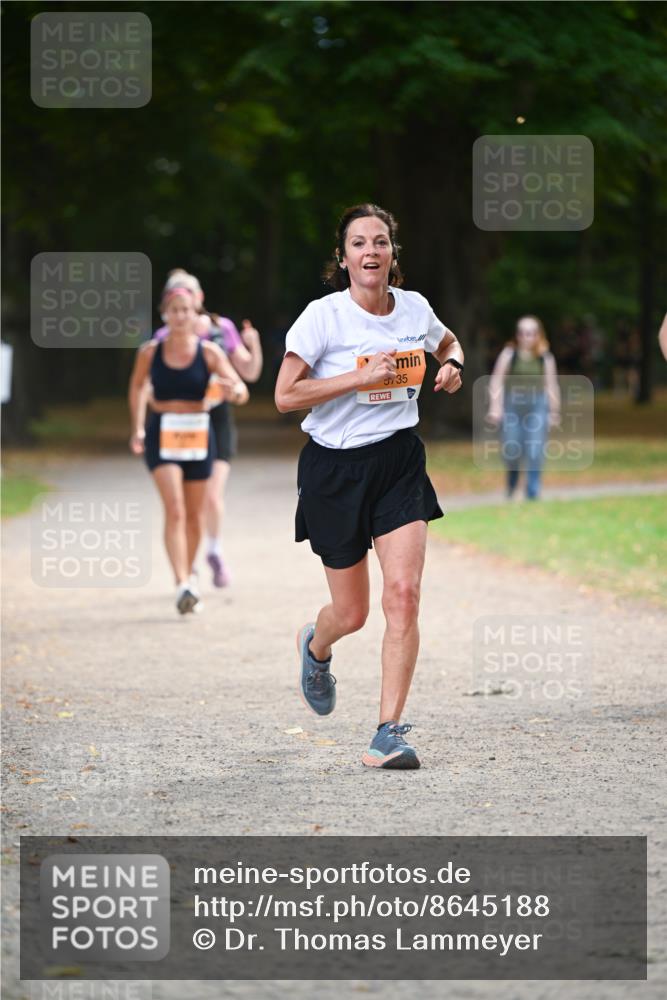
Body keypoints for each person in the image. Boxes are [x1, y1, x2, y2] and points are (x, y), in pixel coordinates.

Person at [275, 203, 464, 770]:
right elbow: (286, 396)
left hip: (398, 462)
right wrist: (360, 376)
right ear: (345, 257)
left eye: (380, 242)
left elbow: (448, 342)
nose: (371, 252)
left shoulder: (414, 308)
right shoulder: (323, 318)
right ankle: (317, 644)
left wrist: (453, 365)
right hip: (334, 471)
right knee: (352, 612)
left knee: (402, 595)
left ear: (392, 253)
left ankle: (389, 732)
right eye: (359, 243)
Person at [128, 286, 249, 614]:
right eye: (174, 310)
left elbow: (239, 389)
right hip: (162, 436)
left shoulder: (209, 352)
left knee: (196, 515)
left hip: (198, 437)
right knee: (176, 509)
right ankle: (181, 582)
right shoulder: (150, 352)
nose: (181, 316)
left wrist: (233, 391)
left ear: (196, 314)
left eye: (187, 310)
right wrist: (138, 426)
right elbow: (138, 386)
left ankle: (190, 573)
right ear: (164, 314)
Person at [152, 270, 263, 586]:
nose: (184, 302)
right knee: (184, 504)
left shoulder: (220, 329)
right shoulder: (162, 339)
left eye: (189, 294)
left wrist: (253, 346)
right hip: (179, 423)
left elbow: (248, 375)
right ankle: (188, 565)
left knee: (211, 497)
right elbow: (149, 385)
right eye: (176, 295)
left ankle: (213, 551)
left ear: (198, 299)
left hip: (216, 420)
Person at [487, 315, 560, 501]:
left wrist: (554, 411)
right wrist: (495, 407)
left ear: (538, 335)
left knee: (535, 449)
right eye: (523, 333)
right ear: (518, 335)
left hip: (537, 405)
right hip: (513, 405)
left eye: (531, 333)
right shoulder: (509, 355)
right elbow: (497, 381)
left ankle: (533, 492)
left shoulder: (545, 357)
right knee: (512, 449)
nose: (527, 337)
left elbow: (551, 385)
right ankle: (512, 487)